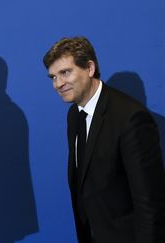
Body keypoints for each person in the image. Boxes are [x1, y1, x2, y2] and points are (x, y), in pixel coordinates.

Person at [43, 36, 165, 243]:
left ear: (89, 68)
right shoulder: (74, 115)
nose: (58, 84)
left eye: (65, 72)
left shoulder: (130, 118)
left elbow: (150, 204)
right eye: (53, 77)